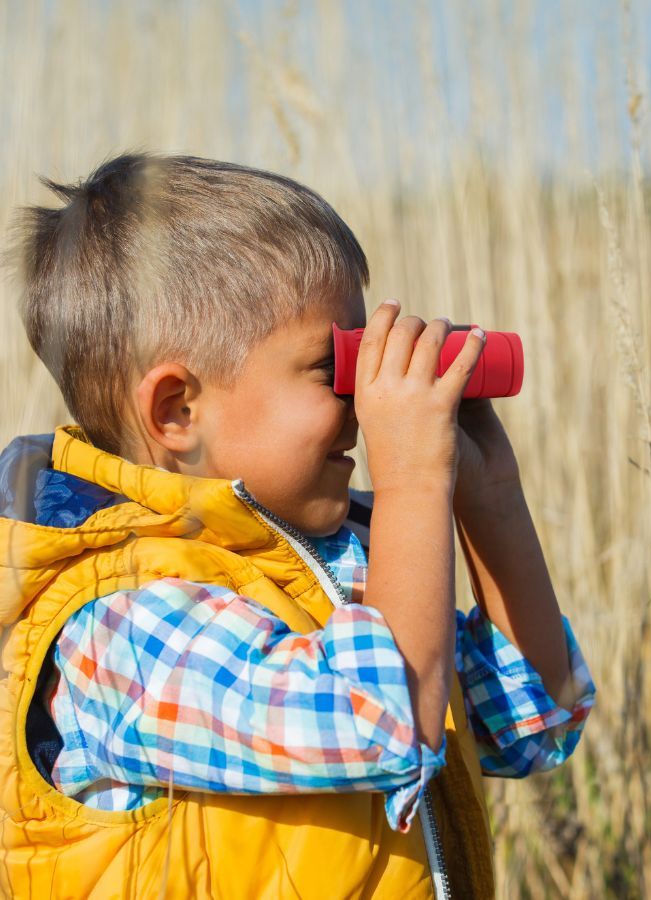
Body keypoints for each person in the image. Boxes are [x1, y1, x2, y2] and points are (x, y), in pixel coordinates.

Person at [0, 153, 595, 899]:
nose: (361, 401)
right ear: (177, 410)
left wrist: (491, 495)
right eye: (331, 367)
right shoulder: (123, 619)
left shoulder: (343, 561)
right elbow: (378, 721)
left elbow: (534, 722)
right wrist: (411, 477)